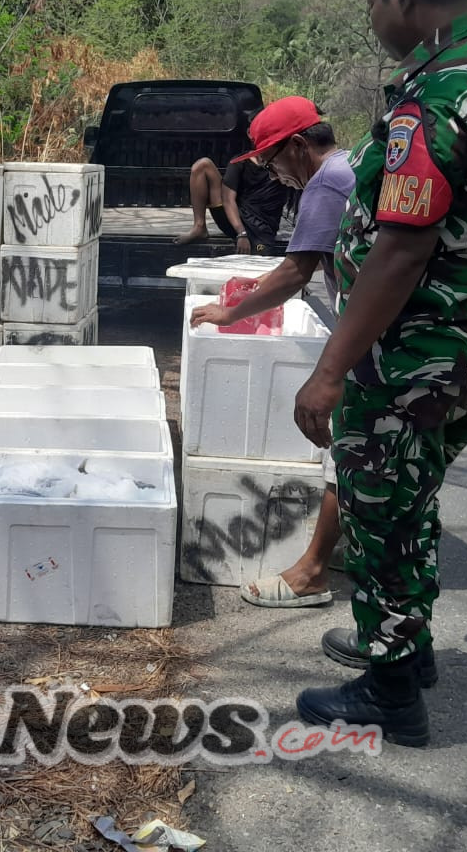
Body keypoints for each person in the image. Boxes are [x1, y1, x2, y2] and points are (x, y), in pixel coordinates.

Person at [285, 0, 467, 746]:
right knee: (412, 493)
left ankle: (391, 692)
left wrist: (332, 368)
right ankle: (407, 648)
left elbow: (402, 246)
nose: (372, 15)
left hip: (411, 348)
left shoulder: (435, 93)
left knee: (381, 511)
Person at [188, 96, 355, 609]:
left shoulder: (326, 182)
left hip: (380, 340)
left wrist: (229, 313)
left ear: (299, 147)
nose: (272, 173)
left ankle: (311, 572)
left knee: (349, 448)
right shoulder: (353, 166)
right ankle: (361, 546)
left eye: (271, 160)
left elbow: (294, 272)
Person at [175, 144, 295, 255]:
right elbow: (228, 200)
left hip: (261, 229)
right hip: (236, 220)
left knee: (259, 257)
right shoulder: (240, 161)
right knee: (202, 165)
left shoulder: (284, 162)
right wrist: (241, 233)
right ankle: (199, 227)